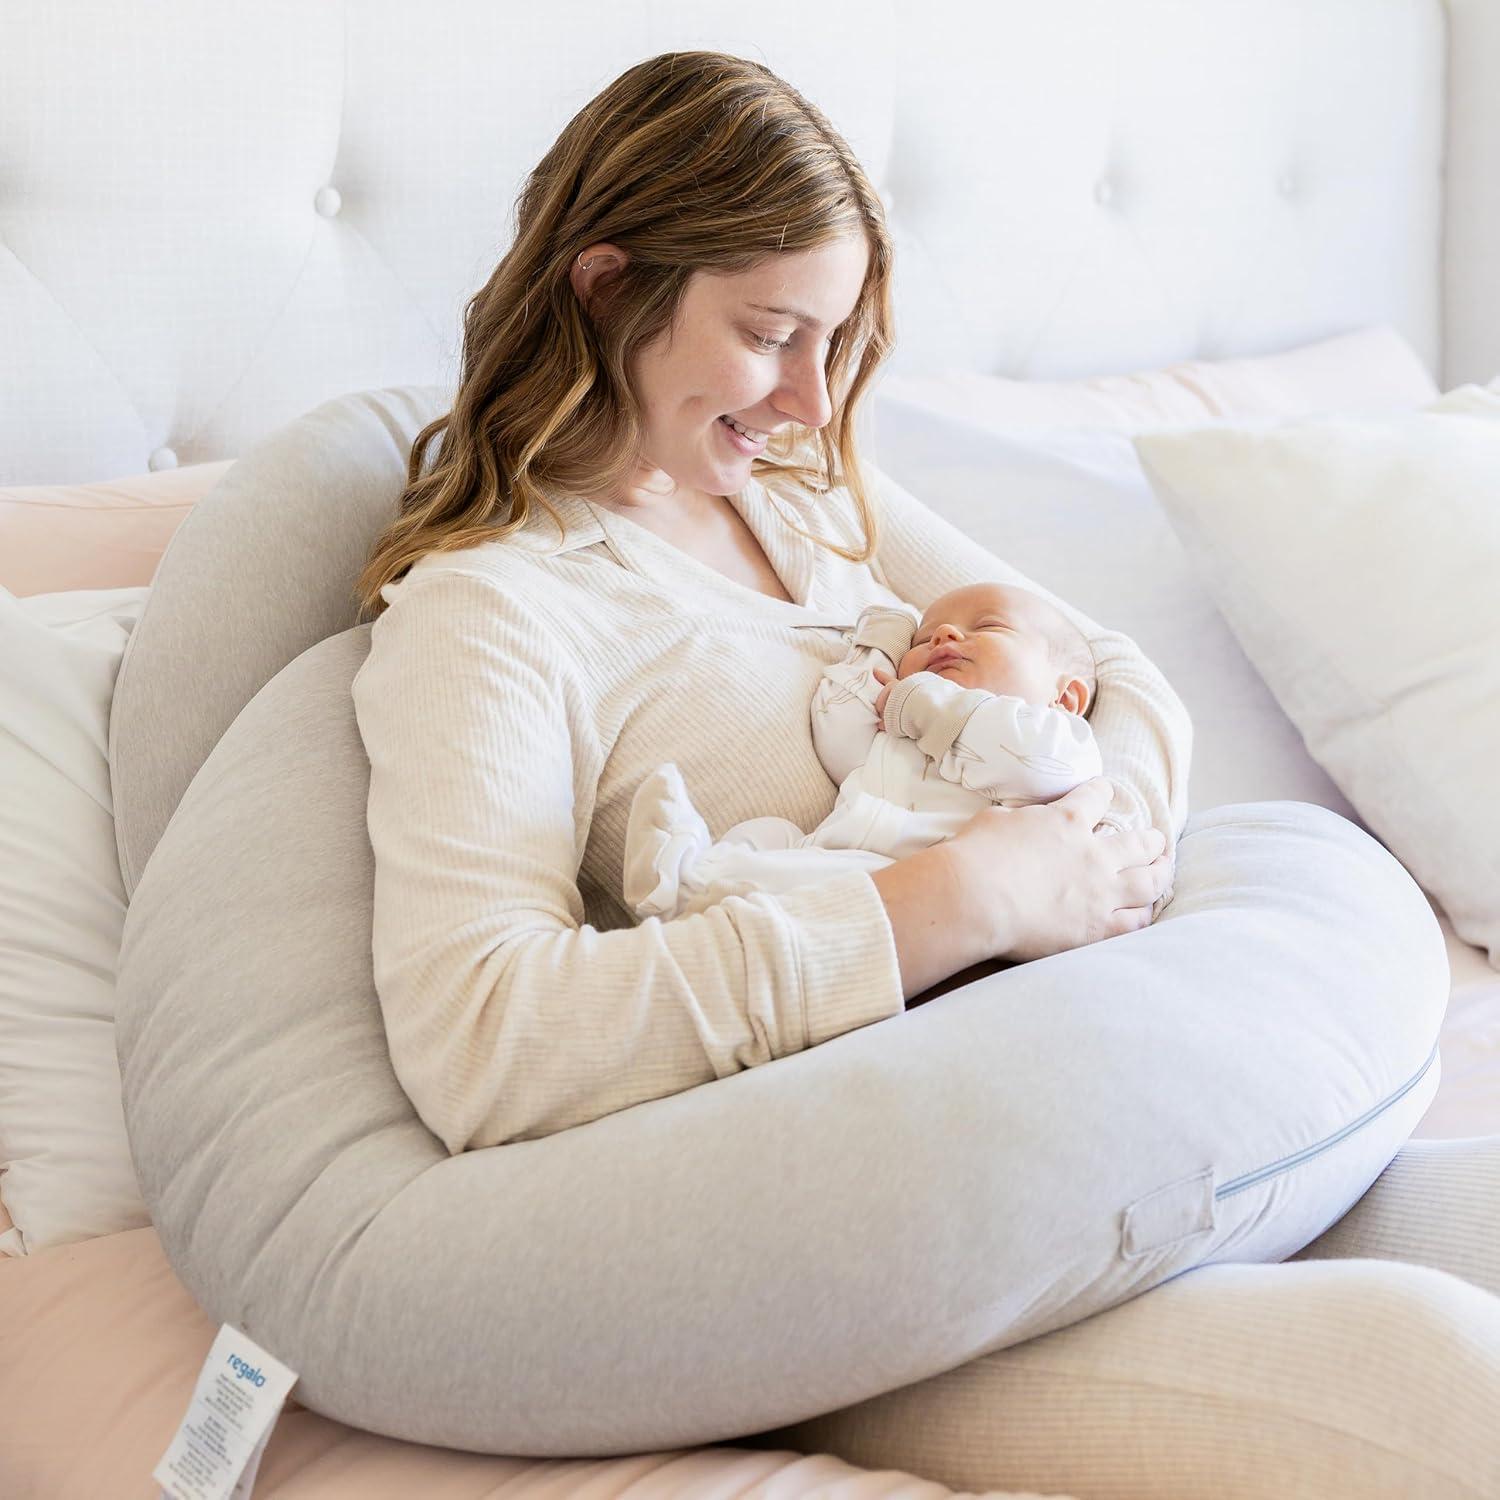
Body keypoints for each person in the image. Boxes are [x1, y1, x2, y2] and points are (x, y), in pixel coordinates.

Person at [350, 48, 1500, 1495]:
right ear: (604, 287)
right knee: (1436, 1385)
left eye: (835, 340)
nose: (810, 396)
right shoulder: (495, 614)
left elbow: (1108, 670)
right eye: (771, 334)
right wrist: (963, 898)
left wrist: (1088, 860)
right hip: (867, 1228)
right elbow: (485, 1040)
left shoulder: (805, 500)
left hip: (1074, 1095)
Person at [622, 582, 1107, 922]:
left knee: (802, 883)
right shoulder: (899, 726)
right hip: (837, 852)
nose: (943, 635)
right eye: (923, 639)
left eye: (989, 626)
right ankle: (694, 879)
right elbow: (835, 722)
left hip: (919, 882)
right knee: (772, 833)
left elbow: (1035, 765)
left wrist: (921, 704)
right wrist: (880, 646)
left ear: (1065, 697)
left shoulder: (1063, 742)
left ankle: (694, 890)